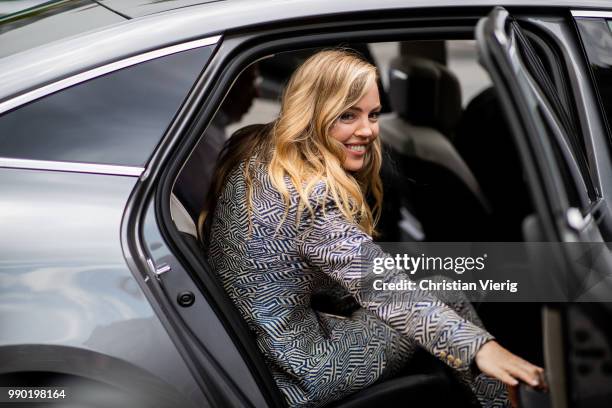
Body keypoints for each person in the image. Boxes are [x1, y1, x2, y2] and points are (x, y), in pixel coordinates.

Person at [199, 49, 545, 407]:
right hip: (306, 370)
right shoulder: (308, 197)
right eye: (347, 115)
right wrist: (481, 348)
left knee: (426, 280)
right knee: (444, 290)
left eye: (374, 114)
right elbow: (382, 287)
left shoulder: (257, 153)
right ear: (312, 113)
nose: (367, 130)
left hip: (268, 352)